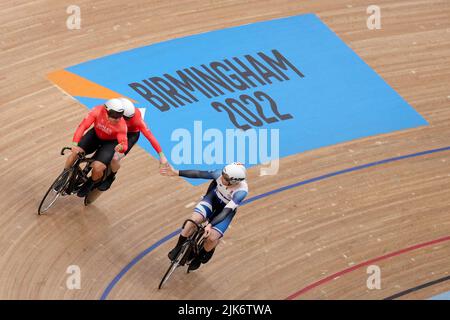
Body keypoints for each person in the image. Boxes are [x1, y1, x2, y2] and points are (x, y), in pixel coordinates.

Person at [160, 162, 248, 271]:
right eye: (223, 174)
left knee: (212, 237)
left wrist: (210, 225)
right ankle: (178, 247)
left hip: (225, 210)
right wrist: (176, 172)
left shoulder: (241, 192)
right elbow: (198, 173)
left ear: (234, 181)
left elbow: (225, 212)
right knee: (193, 221)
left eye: (225, 177)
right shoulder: (219, 174)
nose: (221, 178)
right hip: (213, 199)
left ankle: (201, 256)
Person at [97, 97, 168, 191]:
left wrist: (161, 155)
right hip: (116, 131)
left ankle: (111, 177)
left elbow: (150, 137)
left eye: (128, 118)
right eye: (125, 118)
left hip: (130, 135)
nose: (126, 120)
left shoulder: (137, 120)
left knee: (115, 158)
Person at [64, 98, 128, 197]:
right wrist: (75, 144)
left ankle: (91, 183)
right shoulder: (97, 111)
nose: (117, 119)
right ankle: (64, 176)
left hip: (110, 143)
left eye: (120, 116)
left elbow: (124, 143)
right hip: (95, 135)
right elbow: (83, 126)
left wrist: (121, 147)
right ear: (106, 111)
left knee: (98, 167)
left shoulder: (122, 125)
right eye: (114, 116)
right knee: (75, 153)